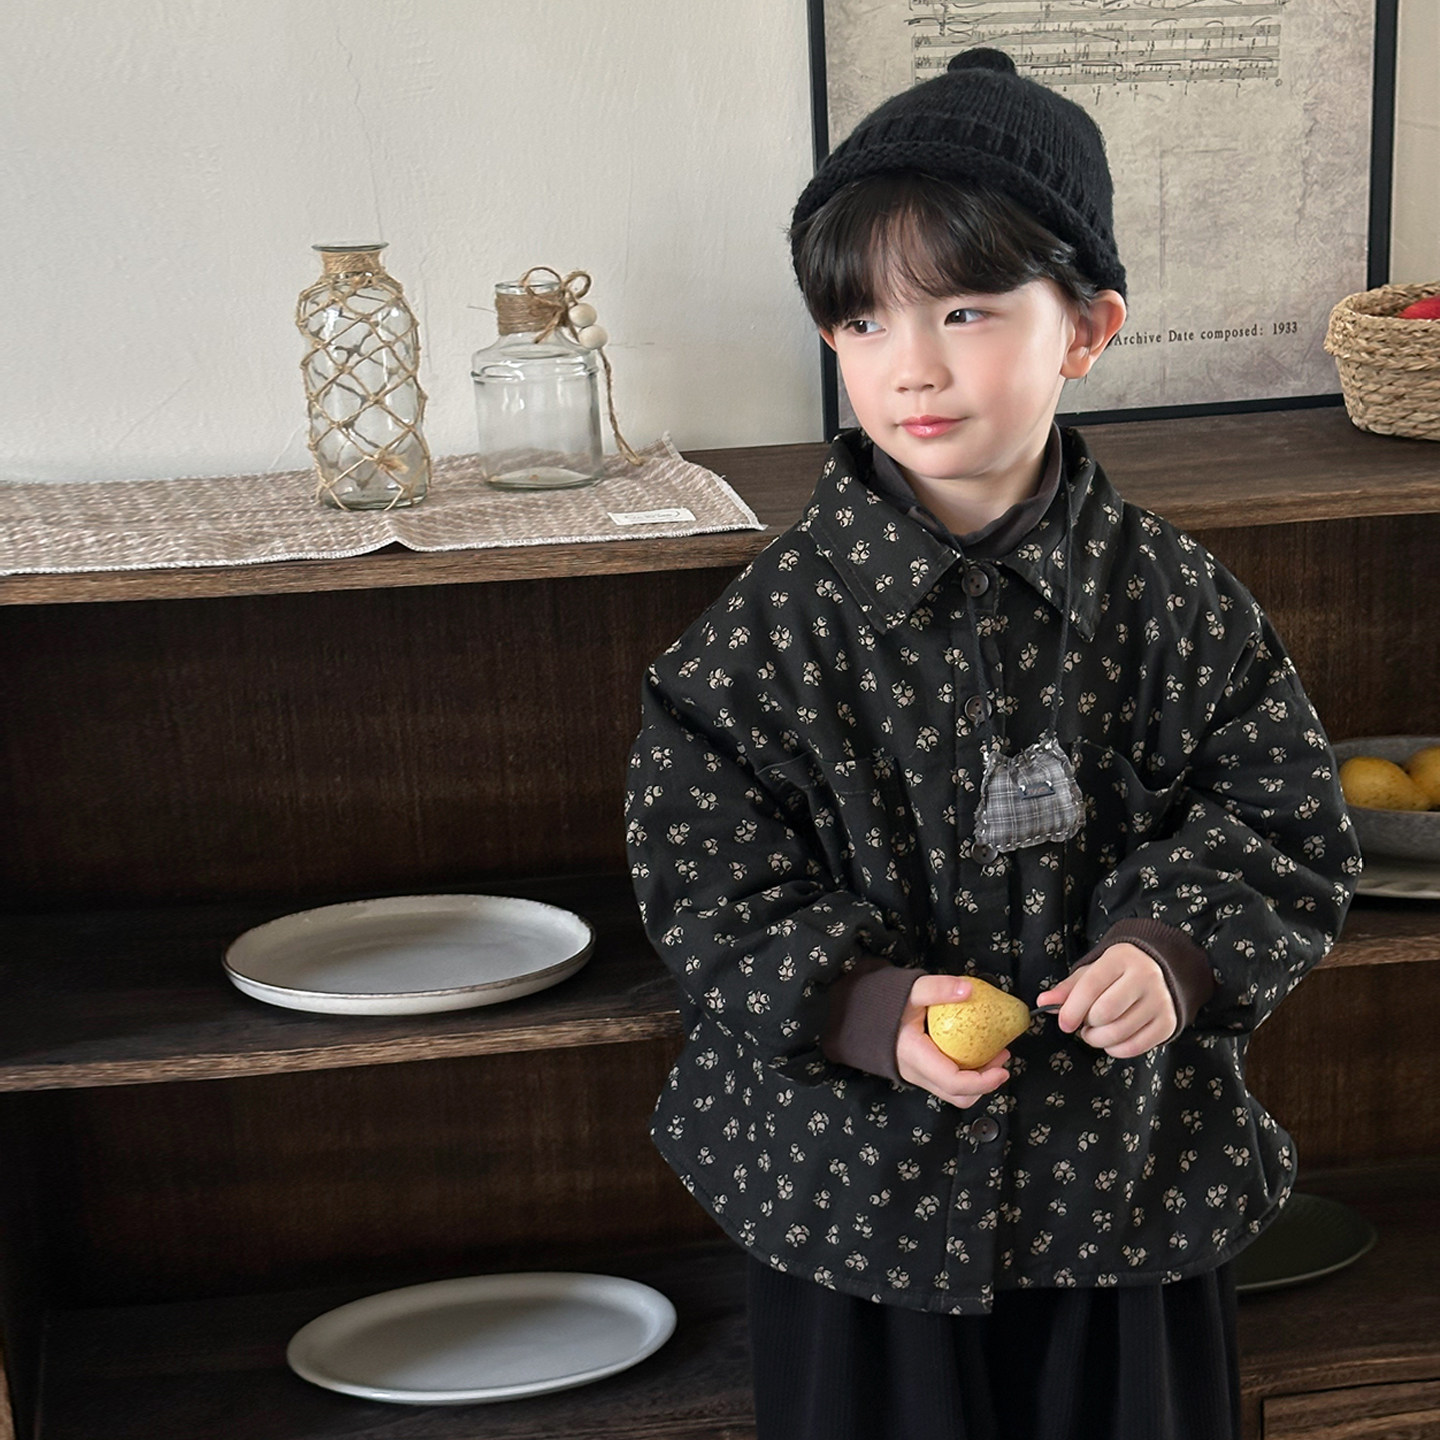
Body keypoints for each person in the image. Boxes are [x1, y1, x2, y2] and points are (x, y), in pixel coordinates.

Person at [624, 48, 1359, 1440]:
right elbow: (704, 879)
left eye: (965, 309)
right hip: (854, 1195)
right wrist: (863, 1006)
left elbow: (1282, 820)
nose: (911, 365)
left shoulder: (1177, 602)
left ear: (1086, 328)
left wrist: (1173, 953)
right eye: (862, 321)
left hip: (1128, 1188)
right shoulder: (762, 635)